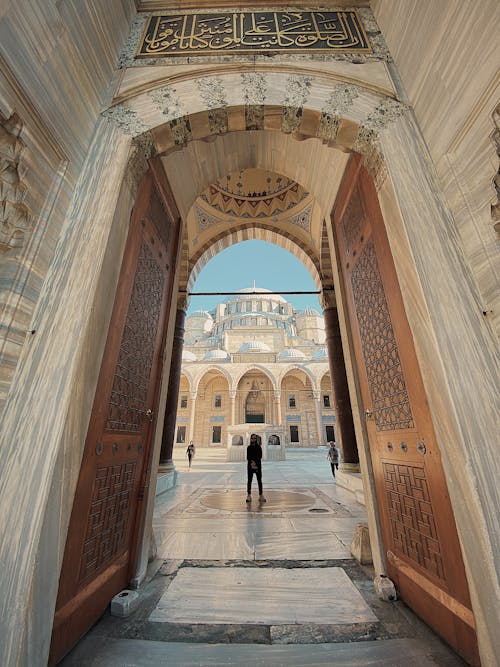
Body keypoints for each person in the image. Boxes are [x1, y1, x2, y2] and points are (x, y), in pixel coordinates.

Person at [246, 433, 266, 503]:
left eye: (255, 438)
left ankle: (261, 495)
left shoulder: (259, 447)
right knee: (249, 481)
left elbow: (260, 456)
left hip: (257, 466)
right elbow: (248, 457)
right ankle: (249, 495)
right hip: (250, 466)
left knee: (259, 481)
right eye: (252, 438)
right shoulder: (249, 447)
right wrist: (252, 462)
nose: (253, 439)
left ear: (256, 439)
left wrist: (255, 463)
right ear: (250, 439)